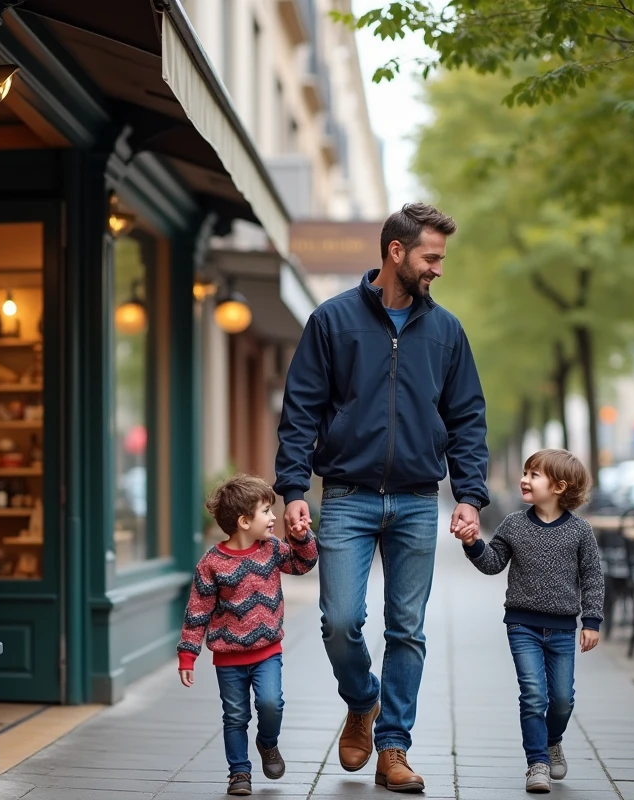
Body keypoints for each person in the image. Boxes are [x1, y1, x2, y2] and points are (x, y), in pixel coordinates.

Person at [274, 203, 489, 793]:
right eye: (431, 256)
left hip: (420, 499)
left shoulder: (446, 331)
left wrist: (469, 495)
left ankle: (393, 747)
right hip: (346, 495)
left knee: (407, 629)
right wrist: (293, 489)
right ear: (396, 252)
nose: (438, 268)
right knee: (340, 621)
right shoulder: (332, 320)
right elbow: (300, 413)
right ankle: (362, 700)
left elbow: (468, 417)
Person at [459, 449, 604, 794]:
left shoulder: (580, 532)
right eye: (526, 472)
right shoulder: (514, 524)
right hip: (522, 625)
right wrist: (472, 544)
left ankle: (553, 739)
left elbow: (593, 577)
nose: (525, 479)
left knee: (562, 699)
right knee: (534, 694)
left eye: (534, 474)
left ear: (559, 486)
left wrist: (592, 621)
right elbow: (493, 563)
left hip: (563, 629)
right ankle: (537, 763)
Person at [177, 474, 317, 796]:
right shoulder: (211, 564)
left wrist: (301, 537)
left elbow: (303, 564)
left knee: (271, 704)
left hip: (268, 649)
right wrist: (188, 654)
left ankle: (268, 743)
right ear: (243, 521)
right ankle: (239, 772)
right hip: (228, 658)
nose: (272, 518)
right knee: (235, 716)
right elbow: (197, 610)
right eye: (266, 511)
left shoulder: (271, 549)